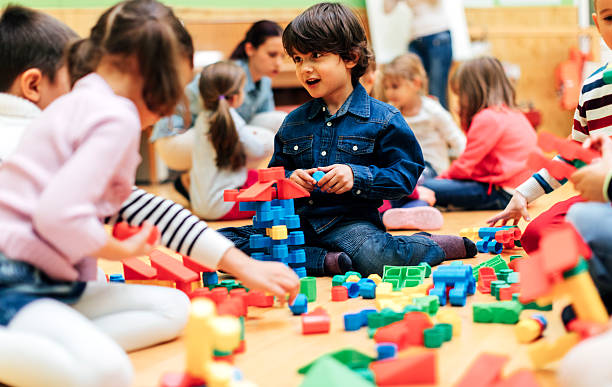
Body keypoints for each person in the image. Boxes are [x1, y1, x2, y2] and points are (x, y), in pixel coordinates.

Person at [0, 3, 297, 387]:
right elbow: (57, 216)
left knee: (173, 308)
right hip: (16, 282)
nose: (170, 110)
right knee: (109, 372)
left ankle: (47, 351)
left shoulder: (84, 100)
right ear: (156, 80)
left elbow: (144, 208)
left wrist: (241, 265)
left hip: (52, 285)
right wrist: (112, 248)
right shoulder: (115, 116)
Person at [218, 2, 476, 277]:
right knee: (219, 244)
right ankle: (327, 261)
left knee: (376, 259)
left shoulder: (384, 118)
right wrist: (290, 180)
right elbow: (275, 176)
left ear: (351, 58)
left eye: (315, 55)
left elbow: (405, 176)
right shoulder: (293, 122)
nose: (305, 68)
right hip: (298, 224)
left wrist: (357, 176)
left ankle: (428, 245)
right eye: (297, 59)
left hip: (350, 226)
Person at [487, 0, 612, 253]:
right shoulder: (592, 88)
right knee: (536, 235)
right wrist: (523, 194)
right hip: (602, 201)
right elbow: (572, 154)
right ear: (597, 24)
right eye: (610, 19)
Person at [151, 20, 286, 200]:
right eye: (272, 54)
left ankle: (196, 182)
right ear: (250, 49)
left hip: (205, 134)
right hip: (175, 139)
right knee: (257, 139)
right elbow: (212, 121)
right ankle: (214, 183)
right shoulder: (228, 75)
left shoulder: (264, 82)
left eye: (282, 56)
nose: (279, 63)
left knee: (278, 122)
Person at [420, 57, 539, 211]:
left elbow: (465, 166)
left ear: (471, 92)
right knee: (429, 185)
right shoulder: (511, 113)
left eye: (460, 94)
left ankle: (420, 200)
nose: (459, 101)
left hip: (503, 193)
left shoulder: (487, 118)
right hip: (522, 191)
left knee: (426, 185)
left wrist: (441, 178)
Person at [190, 61, 273, 220]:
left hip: (200, 206)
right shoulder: (232, 119)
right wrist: (264, 139)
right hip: (224, 206)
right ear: (235, 97)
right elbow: (258, 150)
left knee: (253, 176)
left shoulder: (203, 119)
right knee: (272, 184)